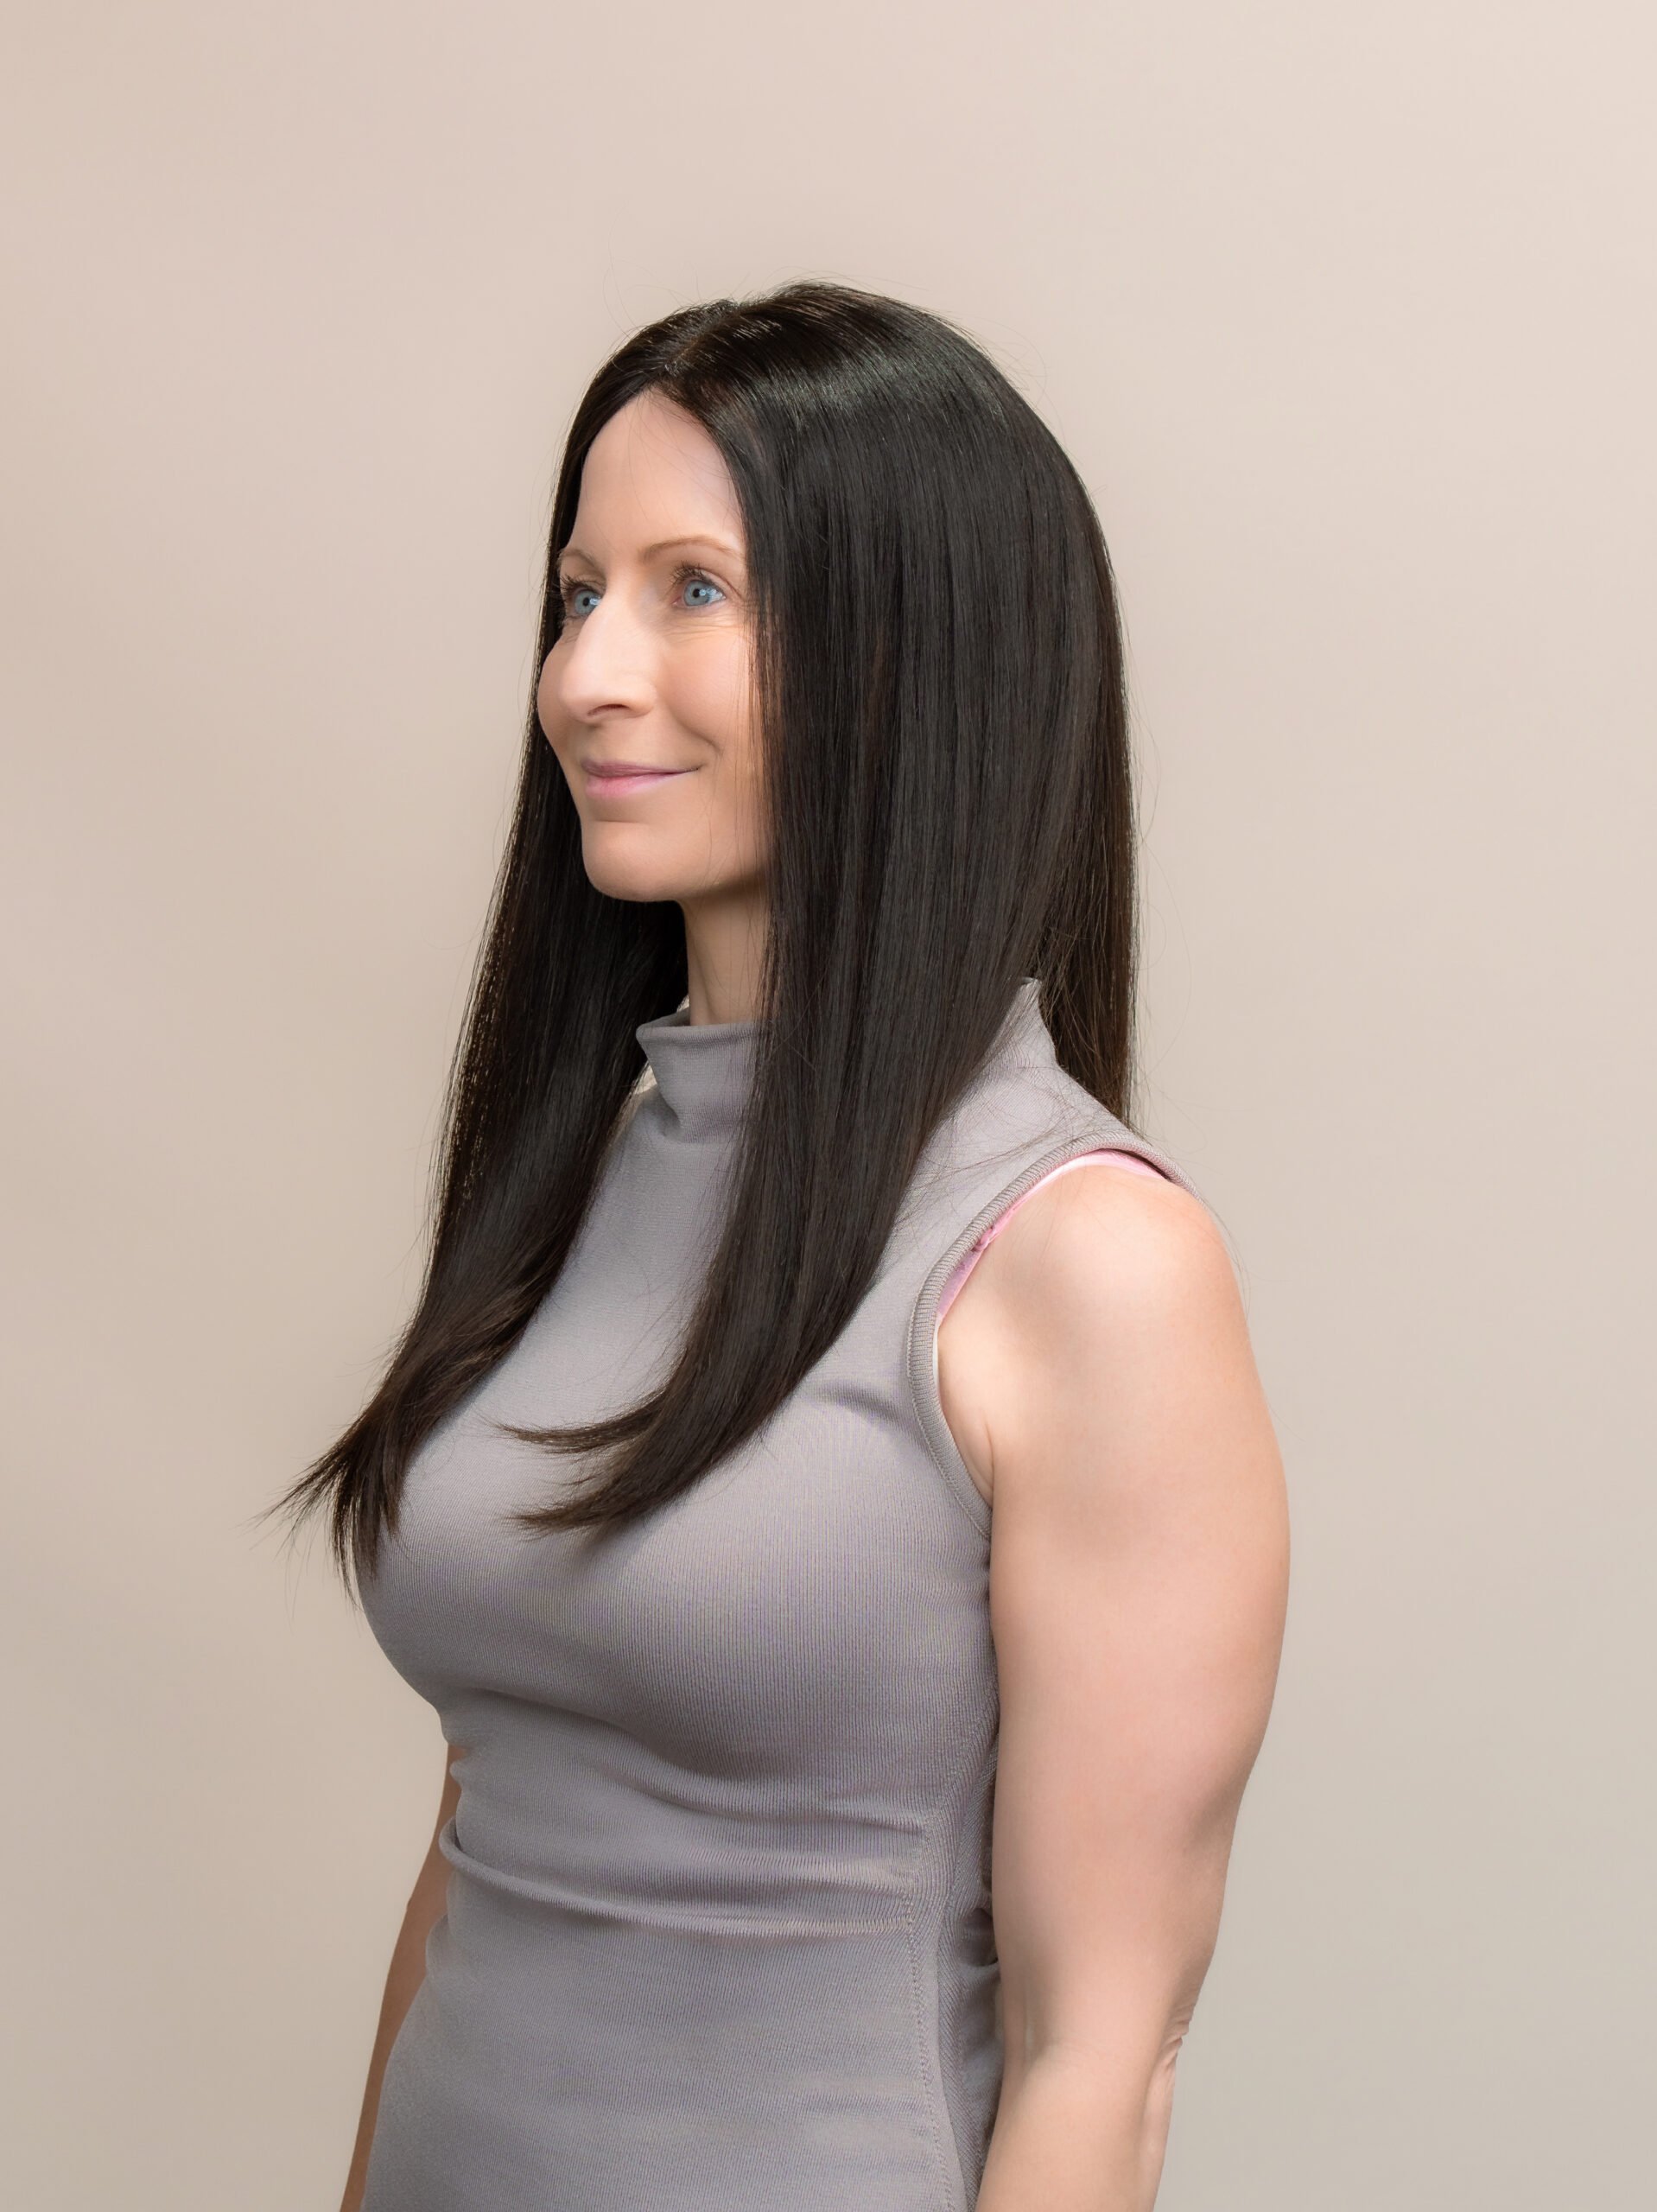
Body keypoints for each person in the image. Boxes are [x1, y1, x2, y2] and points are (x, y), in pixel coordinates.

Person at [266, 279, 1289, 2212]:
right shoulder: (584, 1172)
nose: (585, 674)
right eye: (578, 592)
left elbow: (1101, 2055)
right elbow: (485, 1842)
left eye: (693, 592)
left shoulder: (1082, 1258)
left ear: (919, 658)